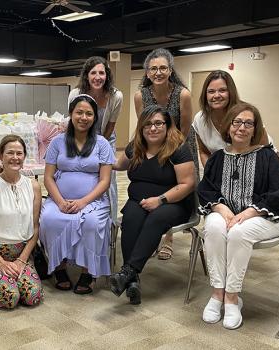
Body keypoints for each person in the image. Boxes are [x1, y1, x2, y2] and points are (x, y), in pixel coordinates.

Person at [198, 102, 279, 330]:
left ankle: (232, 297)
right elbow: (206, 189)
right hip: (226, 213)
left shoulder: (267, 157)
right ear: (228, 127)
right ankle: (217, 293)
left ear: (255, 128)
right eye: (237, 122)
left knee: (239, 232)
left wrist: (250, 211)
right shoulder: (218, 157)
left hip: (264, 218)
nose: (242, 128)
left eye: (248, 123)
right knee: (215, 227)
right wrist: (222, 208)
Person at [110, 105, 195, 305]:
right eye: (147, 124)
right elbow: (117, 165)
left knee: (156, 218)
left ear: (167, 126)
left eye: (158, 123)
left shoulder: (178, 149)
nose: (153, 128)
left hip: (173, 203)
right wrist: (91, 158)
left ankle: (129, 271)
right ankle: (132, 282)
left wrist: (160, 200)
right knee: (131, 217)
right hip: (139, 201)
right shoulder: (135, 147)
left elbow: (187, 184)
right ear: (141, 127)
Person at [40, 94, 115, 294]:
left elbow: (105, 181)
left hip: (94, 201)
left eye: (89, 113)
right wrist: (60, 201)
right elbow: (48, 177)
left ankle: (88, 271)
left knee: (92, 223)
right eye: (79, 112)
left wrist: (82, 202)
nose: (83, 117)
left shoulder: (102, 144)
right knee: (48, 219)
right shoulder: (57, 142)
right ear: (71, 115)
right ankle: (59, 267)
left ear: (94, 117)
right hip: (59, 200)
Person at [133, 48, 197, 260]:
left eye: (162, 68)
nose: (158, 72)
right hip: (153, 148)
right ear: (147, 73)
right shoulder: (140, 95)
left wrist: (171, 151)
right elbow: (144, 126)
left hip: (178, 148)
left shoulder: (183, 94)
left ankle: (167, 238)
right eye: (153, 69)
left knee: (174, 190)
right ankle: (152, 238)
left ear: (170, 70)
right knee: (153, 188)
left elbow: (185, 129)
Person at [0, 134, 43, 309]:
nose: (15, 158)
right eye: (10, 153)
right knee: (9, 297)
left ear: (24, 157)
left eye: (19, 153)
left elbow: (35, 228)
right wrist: (0, 262)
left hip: (21, 255)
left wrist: (22, 260)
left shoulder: (33, 186)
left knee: (33, 296)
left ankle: (2, 280)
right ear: (0, 156)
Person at [68, 56, 123, 224]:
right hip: (80, 137)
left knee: (108, 180)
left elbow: (110, 125)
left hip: (105, 138)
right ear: (87, 75)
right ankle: (80, 216)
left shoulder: (116, 96)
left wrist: (99, 146)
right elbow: (73, 120)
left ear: (107, 76)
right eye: (93, 73)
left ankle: (111, 223)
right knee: (82, 173)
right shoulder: (76, 94)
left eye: (102, 73)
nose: (97, 77)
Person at [191, 70, 272, 167]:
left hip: (256, 166)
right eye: (211, 91)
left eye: (222, 90)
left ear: (231, 92)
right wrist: (211, 173)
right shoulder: (199, 119)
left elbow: (265, 153)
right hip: (224, 168)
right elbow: (204, 152)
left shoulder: (247, 115)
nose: (216, 96)